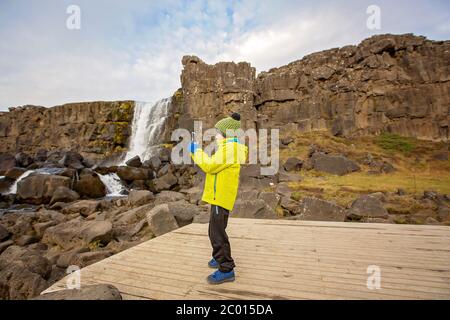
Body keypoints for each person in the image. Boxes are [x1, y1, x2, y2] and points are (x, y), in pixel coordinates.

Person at [189, 112, 248, 284]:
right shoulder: (230, 148)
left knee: (216, 233)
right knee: (219, 227)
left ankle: (226, 268)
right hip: (221, 196)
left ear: (226, 134)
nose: (215, 135)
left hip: (220, 196)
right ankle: (218, 257)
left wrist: (196, 151)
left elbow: (209, 166)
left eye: (217, 132)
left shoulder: (229, 149)